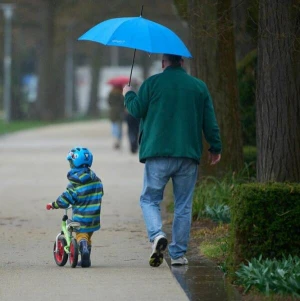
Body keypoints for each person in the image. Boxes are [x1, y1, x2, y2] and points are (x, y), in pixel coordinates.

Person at [122, 53, 222, 268]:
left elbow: (136, 110)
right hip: (187, 154)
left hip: (157, 153)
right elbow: (209, 120)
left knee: (149, 199)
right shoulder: (198, 86)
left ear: (163, 63)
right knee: (183, 205)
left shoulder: (152, 83)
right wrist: (215, 147)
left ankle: (157, 235)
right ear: (182, 62)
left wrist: (128, 94)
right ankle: (177, 255)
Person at [46, 146, 104, 268]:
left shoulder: (74, 184)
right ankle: (85, 259)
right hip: (94, 217)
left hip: (81, 217)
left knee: (81, 235)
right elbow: (100, 193)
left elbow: (65, 199)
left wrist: (54, 204)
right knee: (88, 236)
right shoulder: (97, 180)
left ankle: (82, 247)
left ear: (74, 163)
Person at [108, 85, 125, 149]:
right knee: (119, 127)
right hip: (120, 113)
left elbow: (109, 102)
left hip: (113, 112)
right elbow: (123, 103)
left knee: (114, 127)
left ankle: (115, 140)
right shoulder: (121, 94)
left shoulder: (111, 94)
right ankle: (119, 141)